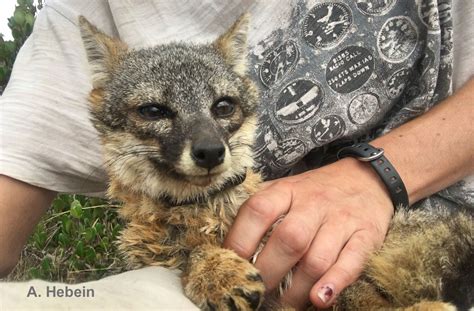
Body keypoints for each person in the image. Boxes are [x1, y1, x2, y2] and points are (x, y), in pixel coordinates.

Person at [0, 0, 473, 309]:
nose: (209, 142)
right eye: (154, 111)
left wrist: (378, 175)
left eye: (222, 107)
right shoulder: (76, 14)